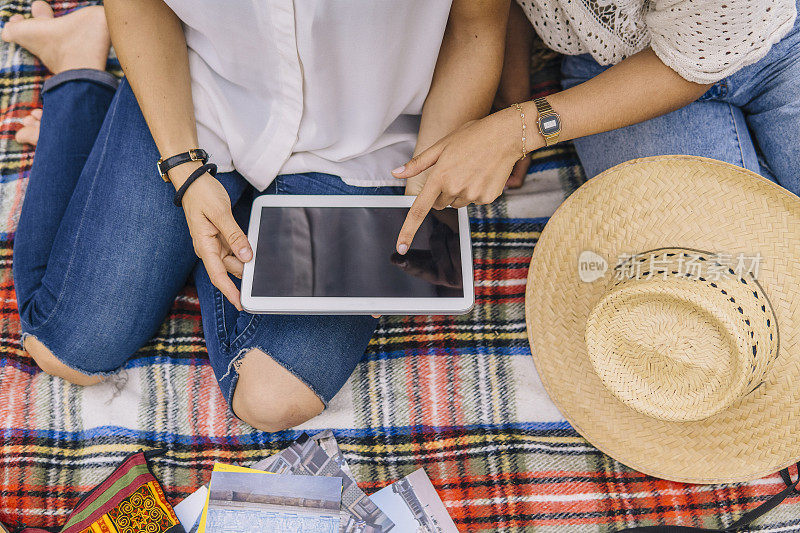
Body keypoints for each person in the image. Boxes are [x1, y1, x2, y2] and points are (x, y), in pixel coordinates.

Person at [5, 0, 509, 431]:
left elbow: (476, 27)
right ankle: (77, 66)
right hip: (196, 95)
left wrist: (415, 198)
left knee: (272, 400)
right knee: (66, 349)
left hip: (368, 137)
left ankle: (221, 216)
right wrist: (184, 171)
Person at [393, 0, 799, 253]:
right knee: (715, 270)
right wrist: (513, 98)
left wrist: (521, 127)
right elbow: (486, 17)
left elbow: (690, 65)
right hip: (615, 68)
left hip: (780, 37)